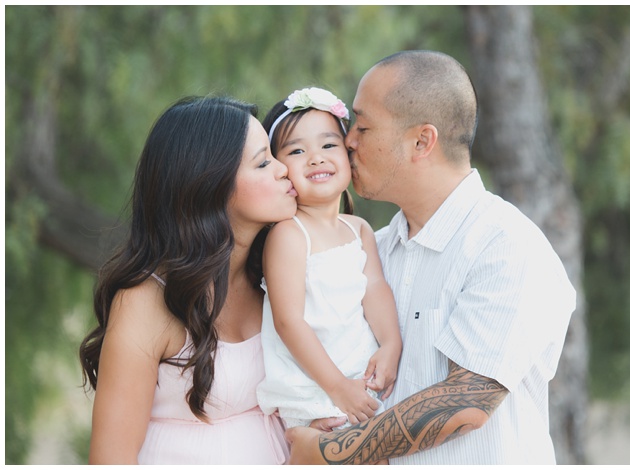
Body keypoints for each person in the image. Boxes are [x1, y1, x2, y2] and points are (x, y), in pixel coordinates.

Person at [286, 50, 577, 465]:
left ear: (422, 141)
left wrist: (331, 452)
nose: (347, 141)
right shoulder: (375, 251)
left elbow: (466, 403)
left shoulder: (506, 245)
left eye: (363, 127)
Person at [78, 95, 299, 464]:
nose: (284, 169)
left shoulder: (277, 276)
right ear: (210, 186)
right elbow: (110, 458)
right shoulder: (146, 300)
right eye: (263, 162)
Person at [256, 87, 402, 431]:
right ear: (279, 168)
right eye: (296, 150)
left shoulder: (359, 229)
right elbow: (288, 322)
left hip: (359, 381)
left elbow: (375, 290)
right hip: (314, 389)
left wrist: (391, 343)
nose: (316, 158)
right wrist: (336, 387)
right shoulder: (289, 235)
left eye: (328, 145)